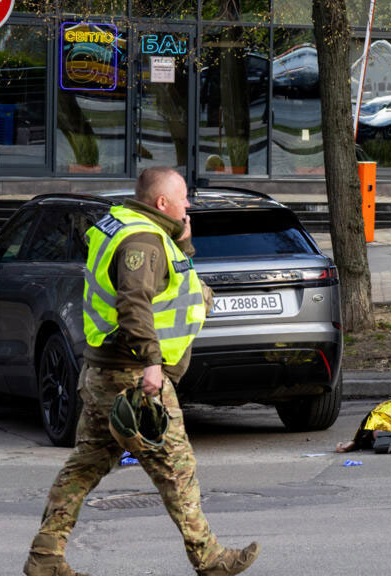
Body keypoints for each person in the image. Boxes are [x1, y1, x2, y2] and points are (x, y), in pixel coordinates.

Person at [24, 167, 260, 576]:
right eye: (183, 197)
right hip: (134, 376)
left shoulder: (131, 226)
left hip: (103, 372)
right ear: (161, 203)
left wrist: (184, 243)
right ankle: (210, 559)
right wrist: (152, 362)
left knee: (83, 466)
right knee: (177, 470)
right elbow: (134, 303)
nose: (189, 204)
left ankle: (45, 556)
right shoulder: (143, 240)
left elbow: (172, 283)